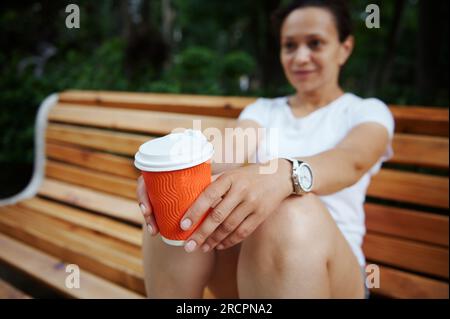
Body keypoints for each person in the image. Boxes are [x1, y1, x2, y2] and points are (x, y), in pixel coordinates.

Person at [136, 0, 394, 299]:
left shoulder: (366, 112)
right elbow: (230, 148)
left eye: (315, 43)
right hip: (254, 273)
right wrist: (172, 168)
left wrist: (284, 176)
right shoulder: (263, 111)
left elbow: (351, 161)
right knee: (180, 203)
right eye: (289, 46)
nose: (301, 57)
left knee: (289, 209)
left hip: (335, 276)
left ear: (344, 48)